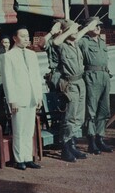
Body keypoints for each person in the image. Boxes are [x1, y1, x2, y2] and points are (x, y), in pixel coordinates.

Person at [53, 18, 99, 162]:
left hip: (80, 82)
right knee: (70, 117)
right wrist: (69, 31)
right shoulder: (62, 45)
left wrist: (84, 29)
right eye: (73, 29)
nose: (76, 31)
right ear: (67, 31)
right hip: (70, 84)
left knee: (79, 117)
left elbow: (78, 36)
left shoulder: (76, 43)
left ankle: (71, 145)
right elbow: (55, 42)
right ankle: (65, 148)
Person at [2, 27, 43, 170]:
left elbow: (37, 77)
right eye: (23, 36)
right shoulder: (9, 56)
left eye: (28, 36)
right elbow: (8, 80)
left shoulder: (32, 55)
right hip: (18, 98)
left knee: (29, 130)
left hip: (31, 97)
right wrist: (12, 100)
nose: (27, 38)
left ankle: (28, 157)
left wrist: (39, 96)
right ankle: (19, 159)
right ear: (14, 38)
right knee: (19, 129)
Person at [79, 17, 113, 154]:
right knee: (91, 110)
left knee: (104, 110)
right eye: (94, 25)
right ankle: (91, 141)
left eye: (99, 25)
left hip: (105, 76)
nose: (98, 27)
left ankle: (100, 138)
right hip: (91, 76)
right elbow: (75, 40)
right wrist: (86, 29)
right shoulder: (84, 42)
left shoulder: (102, 42)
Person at [38, 20, 63, 92]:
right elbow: (41, 44)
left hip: (68, 74)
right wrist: (51, 32)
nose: (60, 31)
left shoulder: (66, 41)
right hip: (57, 74)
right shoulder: (50, 42)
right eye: (58, 28)